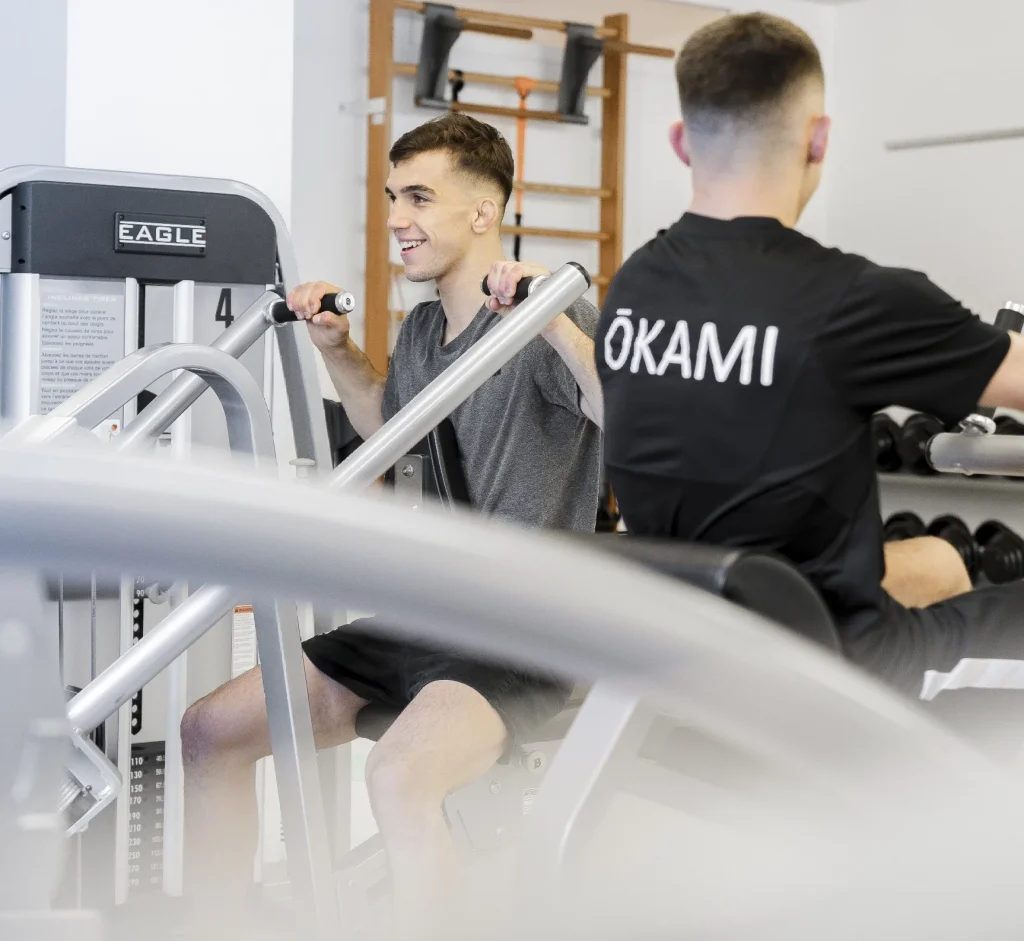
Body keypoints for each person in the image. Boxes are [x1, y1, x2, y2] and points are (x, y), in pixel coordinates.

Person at [180, 113, 602, 935]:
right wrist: (338, 348)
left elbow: (622, 413)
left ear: (483, 213)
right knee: (210, 731)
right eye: (391, 196)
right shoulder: (418, 332)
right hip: (428, 617)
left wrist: (552, 313)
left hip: (526, 630)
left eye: (419, 197)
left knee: (400, 779)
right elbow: (394, 427)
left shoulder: (543, 322)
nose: (396, 217)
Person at [596, 12, 1024, 702]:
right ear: (819, 137)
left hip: (693, 651)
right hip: (839, 667)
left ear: (681, 142)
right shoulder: (850, 297)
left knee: (942, 557)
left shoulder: (634, 286)